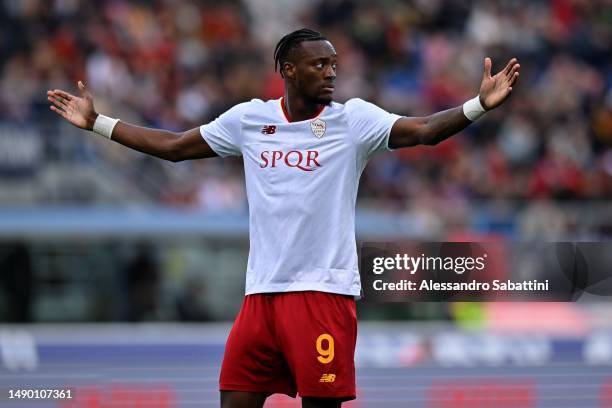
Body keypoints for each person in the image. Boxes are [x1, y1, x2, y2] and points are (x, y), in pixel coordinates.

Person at [47, 28, 520, 408]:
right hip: (261, 296)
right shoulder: (249, 120)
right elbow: (173, 148)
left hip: (322, 293)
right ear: (289, 71)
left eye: (334, 64)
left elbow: (424, 131)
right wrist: (98, 123)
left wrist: (477, 106)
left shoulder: (353, 120)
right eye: (320, 64)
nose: (331, 73)